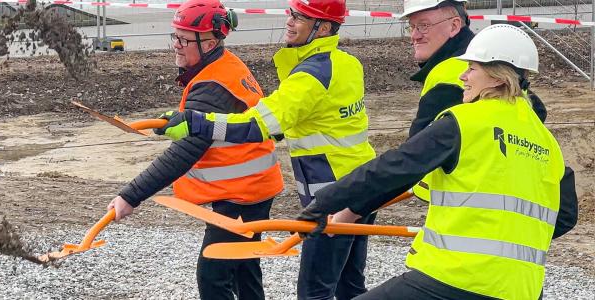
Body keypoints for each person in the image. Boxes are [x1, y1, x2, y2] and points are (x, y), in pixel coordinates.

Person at [298, 24, 578, 300]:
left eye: (472, 68)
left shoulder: (465, 121)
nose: (463, 76)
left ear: (496, 78)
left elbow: (393, 167)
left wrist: (323, 203)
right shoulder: (547, 143)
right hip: (522, 289)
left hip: (453, 279)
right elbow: (564, 216)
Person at [155, 0, 384, 298]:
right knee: (349, 285)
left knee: (315, 291)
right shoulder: (347, 64)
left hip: (332, 196)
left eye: (300, 17)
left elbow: (255, 125)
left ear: (323, 27)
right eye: (291, 13)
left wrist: (196, 122)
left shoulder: (308, 78)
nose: (289, 21)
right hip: (363, 183)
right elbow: (320, 118)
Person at [106, 0, 284, 299]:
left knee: (213, 276)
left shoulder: (213, 85)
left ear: (211, 41)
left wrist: (130, 196)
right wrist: (178, 120)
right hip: (253, 189)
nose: (176, 45)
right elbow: (204, 123)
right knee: (243, 268)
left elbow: (186, 151)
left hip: (241, 195)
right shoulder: (223, 66)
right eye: (175, 36)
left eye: (184, 39)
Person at [401, 0, 548, 201]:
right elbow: (536, 109)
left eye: (423, 26)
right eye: (412, 26)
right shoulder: (487, 60)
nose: (414, 35)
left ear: (454, 26)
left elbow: (410, 159)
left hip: (459, 200)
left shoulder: (446, 74)